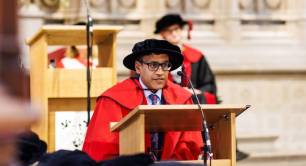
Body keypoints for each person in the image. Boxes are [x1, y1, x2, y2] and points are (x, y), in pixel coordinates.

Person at [82, 39, 203, 162]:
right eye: (153, 65)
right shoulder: (113, 99)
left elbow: (189, 144)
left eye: (165, 65)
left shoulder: (182, 98)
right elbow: (101, 147)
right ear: (138, 67)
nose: (160, 72)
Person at [154, 14, 218, 104]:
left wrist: (196, 92)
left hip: (192, 102)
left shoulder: (196, 56)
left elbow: (208, 84)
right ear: (162, 34)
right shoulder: (154, 57)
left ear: (181, 30)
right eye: (169, 31)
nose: (174, 33)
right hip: (165, 101)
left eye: (176, 29)